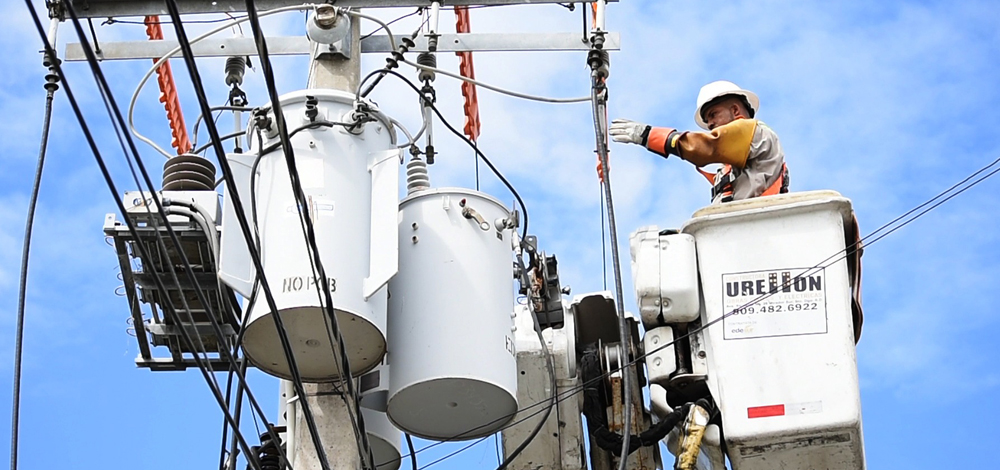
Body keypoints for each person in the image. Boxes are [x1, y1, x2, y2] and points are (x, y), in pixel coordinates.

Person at [609, 80, 789, 203]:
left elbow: (705, 147)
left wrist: (648, 136)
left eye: (713, 115)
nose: (710, 124)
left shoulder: (756, 132)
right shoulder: (732, 164)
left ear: (735, 111)